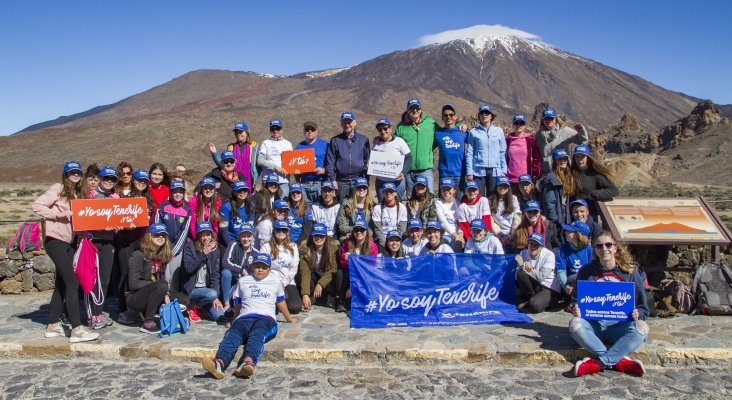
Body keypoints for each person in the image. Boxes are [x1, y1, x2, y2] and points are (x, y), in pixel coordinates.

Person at [202, 253, 298, 380]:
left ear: (269, 269)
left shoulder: (276, 282)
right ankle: (219, 363)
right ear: (252, 267)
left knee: (257, 334)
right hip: (244, 318)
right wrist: (234, 319)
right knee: (232, 336)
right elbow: (238, 303)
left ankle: (248, 362)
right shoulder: (243, 281)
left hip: (266, 319)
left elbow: (280, 301)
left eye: (264, 267)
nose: (260, 269)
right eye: (257, 266)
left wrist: (289, 318)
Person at [33, 161, 99, 343]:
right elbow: (37, 206)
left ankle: (53, 324)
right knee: (72, 282)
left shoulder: (79, 195)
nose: (75, 175)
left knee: (62, 283)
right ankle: (77, 329)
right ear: (65, 174)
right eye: (72, 173)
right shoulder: (58, 189)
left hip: (70, 242)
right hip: (55, 241)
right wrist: (58, 215)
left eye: (78, 172)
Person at [570, 231, 649, 377]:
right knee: (575, 324)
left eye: (608, 245)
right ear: (595, 249)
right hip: (595, 327)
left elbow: (643, 308)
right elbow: (575, 300)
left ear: (615, 248)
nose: (604, 249)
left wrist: (638, 313)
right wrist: (576, 309)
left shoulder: (630, 272)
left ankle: (598, 363)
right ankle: (618, 360)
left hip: (620, 327)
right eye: (599, 246)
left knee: (642, 328)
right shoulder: (585, 271)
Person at [126, 223, 186, 334]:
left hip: (155, 291)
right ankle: (147, 322)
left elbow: (160, 282)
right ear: (149, 236)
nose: (160, 237)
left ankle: (160, 311)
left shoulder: (161, 256)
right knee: (162, 284)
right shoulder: (138, 255)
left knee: (184, 300)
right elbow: (133, 284)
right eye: (157, 234)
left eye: (163, 235)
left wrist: (165, 292)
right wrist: (158, 286)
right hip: (135, 297)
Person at [116, 169, 154, 324]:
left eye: (144, 181)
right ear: (134, 181)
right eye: (139, 180)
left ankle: (137, 307)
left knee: (141, 274)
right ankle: (123, 309)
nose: (142, 183)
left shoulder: (148, 200)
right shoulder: (125, 198)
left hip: (141, 241)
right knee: (125, 273)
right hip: (125, 241)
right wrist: (124, 224)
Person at [88, 166, 120, 330]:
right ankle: (91, 314)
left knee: (105, 278)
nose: (109, 181)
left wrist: (120, 225)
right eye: (106, 178)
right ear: (99, 178)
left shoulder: (115, 196)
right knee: (91, 279)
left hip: (108, 241)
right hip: (92, 241)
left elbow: (119, 218)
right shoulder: (90, 195)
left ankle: (98, 312)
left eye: (113, 179)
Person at [394, 98, 440, 195]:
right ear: (407, 110)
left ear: (420, 109)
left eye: (417, 108)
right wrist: (380, 139)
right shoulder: (401, 127)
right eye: (411, 108)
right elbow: (393, 145)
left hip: (425, 170)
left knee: (429, 199)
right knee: (412, 201)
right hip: (408, 171)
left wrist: (459, 126)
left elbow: (444, 134)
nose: (414, 111)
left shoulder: (431, 123)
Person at [182, 221, 224, 323]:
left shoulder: (215, 251)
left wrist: (216, 297)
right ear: (198, 236)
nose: (206, 238)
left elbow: (215, 274)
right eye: (202, 235)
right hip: (192, 289)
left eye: (208, 234)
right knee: (211, 294)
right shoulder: (189, 248)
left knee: (219, 315)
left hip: (207, 290)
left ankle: (201, 306)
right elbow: (189, 269)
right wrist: (203, 254)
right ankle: (193, 305)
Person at [154, 180, 192, 293]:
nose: (177, 194)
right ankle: (159, 299)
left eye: (180, 192)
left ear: (184, 193)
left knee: (173, 276)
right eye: (175, 191)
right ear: (171, 192)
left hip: (177, 249)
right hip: (162, 245)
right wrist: (162, 248)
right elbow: (157, 227)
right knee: (161, 274)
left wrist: (174, 251)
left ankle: (172, 302)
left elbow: (184, 232)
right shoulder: (163, 206)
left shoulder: (187, 210)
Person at [326, 111, 371, 201]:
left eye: (349, 122)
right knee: (342, 207)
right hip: (341, 182)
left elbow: (367, 160)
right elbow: (330, 161)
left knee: (358, 206)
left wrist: (367, 179)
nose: (347, 125)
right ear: (341, 124)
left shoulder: (363, 140)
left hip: (358, 180)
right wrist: (332, 179)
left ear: (354, 123)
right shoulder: (335, 140)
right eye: (344, 122)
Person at [260, 219, 302, 315]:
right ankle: (278, 302)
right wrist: (275, 283)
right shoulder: (266, 246)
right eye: (278, 230)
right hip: (271, 281)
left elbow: (294, 268)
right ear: (274, 231)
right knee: (271, 310)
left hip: (287, 281)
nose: (281, 232)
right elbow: (263, 266)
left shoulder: (293, 246)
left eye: (284, 230)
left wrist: (283, 283)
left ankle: (282, 301)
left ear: (288, 232)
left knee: (295, 308)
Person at [538, 148, 578, 247]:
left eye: (565, 159)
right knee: (557, 240)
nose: (563, 161)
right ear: (555, 161)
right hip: (556, 216)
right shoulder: (551, 179)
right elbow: (549, 202)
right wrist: (554, 220)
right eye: (560, 159)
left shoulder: (568, 177)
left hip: (565, 212)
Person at [336, 220, 378, 312]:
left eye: (362, 230)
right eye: (356, 230)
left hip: (365, 275)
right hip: (349, 273)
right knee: (340, 274)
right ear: (353, 232)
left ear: (366, 232)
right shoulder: (346, 244)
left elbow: (371, 266)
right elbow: (342, 263)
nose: (359, 232)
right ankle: (342, 300)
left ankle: (357, 299)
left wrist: (352, 287)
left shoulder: (372, 246)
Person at [466, 104, 507, 196]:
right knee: (479, 198)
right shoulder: (473, 132)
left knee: (493, 198)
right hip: (478, 170)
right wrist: (469, 172)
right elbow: (469, 153)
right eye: (482, 113)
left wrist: (503, 170)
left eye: (487, 113)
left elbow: (502, 152)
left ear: (491, 116)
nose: (484, 115)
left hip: (495, 170)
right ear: (479, 116)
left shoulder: (499, 131)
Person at [572, 144, 619, 220]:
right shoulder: (571, 173)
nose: (580, 160)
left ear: (588, 158)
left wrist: (595, 194)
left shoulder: (595, 175)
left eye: (582, 157)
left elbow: (614, 190)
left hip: (589, 216)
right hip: (572, 215)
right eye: (577, 156)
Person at [208, 121, 260, 191]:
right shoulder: (231, 147)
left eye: (241, 131)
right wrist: (215, 153)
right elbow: (224, 164)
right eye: (236, 132)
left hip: (249, 182)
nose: (238, 134)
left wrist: (256, 177)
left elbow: (259, 165)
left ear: (247, 133)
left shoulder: (254, 147)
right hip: (233, 181)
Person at [515, 233, 560, 313]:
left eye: (536, 245)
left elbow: (541, 276)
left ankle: (551, 301)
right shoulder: (523, 253)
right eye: (530, 243)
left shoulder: (549, 255)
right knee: (521, 274)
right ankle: (531, 299)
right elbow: (516, 276)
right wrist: (523, 267)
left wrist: (523, 265)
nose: (532, 247)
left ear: (541, 247)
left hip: (549, 286)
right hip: (536, 285)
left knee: (535, 306)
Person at [535, 107, 589, 173]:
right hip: (547, 172)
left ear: (556, 119)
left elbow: (582, 141)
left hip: (564, 171)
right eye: (546, 118)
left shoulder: (565, 131)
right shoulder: (539, 135)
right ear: (543, 120)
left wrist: (581, 130)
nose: (549, 120)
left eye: (551, 118)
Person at [299, 223, 339, 310]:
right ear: (312, 236)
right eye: (316, 235)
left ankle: (330, 295)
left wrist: (320, 284)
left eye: (321, 236)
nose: (319, 238)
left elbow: (333, 269)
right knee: (303, 276)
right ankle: (311, 296)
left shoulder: (333, 248)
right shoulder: (305, 249)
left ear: (325, 237)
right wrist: (305, 294)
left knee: (338, 274)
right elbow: (305, 273)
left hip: (327, 278)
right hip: (314, 276)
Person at [221, 223, 259, 316]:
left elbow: (254, 274)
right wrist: (241, 270)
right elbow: (225, 262)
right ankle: (226, 304)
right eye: (243, 236)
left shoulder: (256, 253)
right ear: (239, 236)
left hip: (244, 284)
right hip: (231, 280)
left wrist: (239, 286)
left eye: (248, 236)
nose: (246, 239)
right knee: (226, 273)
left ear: (253, 237)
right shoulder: (234, 245)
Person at [371, 118, 411, 202]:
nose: (383, 131)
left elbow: (408, 158)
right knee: (382, 205)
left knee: (397, 205)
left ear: (390, 128)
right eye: (380, 130)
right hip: (381, 182)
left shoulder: (399, 142)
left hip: (397, 182)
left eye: (385, 128)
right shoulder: (376, 144)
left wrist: (403, 172)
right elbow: (373, 160)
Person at [434, 104, 467, 199]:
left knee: (460, 203)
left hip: (460, 174)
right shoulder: (438, 134)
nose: (448, 117)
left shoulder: (463, 132)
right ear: (442, 118)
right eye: (445, 115)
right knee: (444, 203)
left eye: (451, 115)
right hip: (445, 174)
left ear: (455, 117)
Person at [556, 221, 593, 300]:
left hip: (585, 282)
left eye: (569, 231)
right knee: (573, 278)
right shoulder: (563, 249)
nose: (565, 232)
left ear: (578, 235)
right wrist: (566, 285)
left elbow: (592, 271)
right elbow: (561, 271)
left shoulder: (589, 249)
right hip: (569, 284)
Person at [294, 121, 329, 204]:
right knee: (306, 210)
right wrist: (296, 174)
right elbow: (296, 168)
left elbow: (332, 163)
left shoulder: (325, 145)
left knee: (320, 208)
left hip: (320, 183)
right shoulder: (299, 147)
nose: (310, 132)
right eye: (307, 129)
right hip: (305, 183)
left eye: (312, 129)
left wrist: (324, 170)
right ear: (304, 131)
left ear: (316, 131)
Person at [257, 119, 293, 196]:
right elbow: (260, 160)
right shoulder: (266, 143)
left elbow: (292, 162)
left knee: (282, 205)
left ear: (282, 130)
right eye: (273, 129)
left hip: (283, 181)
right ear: (270, 130)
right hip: (268, 181)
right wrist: (275, 167)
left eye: (278, 128)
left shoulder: (288, 144)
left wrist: (296, 169)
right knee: (267, 206)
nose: (275, 131)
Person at [370, 182, 408, 249]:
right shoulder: (377, 208)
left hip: (397, 239)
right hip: (382, 241)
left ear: (395, 193)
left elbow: (401, 229)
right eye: (386, 191)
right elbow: (378, 230)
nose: (388, 193)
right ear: (383, 193)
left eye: (391, 191)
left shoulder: (402, 207)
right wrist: (386, 244)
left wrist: (394, 243)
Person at [506, 115, 541, 184]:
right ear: (513, 125)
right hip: (511, 179)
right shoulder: (508, 140)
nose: (519, 125)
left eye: (521, 123)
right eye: (516, 123)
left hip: (526, 178)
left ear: (525, 125)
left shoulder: (530, 140)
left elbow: (536, 158)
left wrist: (535, 174)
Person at [219, 180, 255, 248]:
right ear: (234, 193)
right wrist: (230, 246)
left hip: (244, 239)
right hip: (230, 240)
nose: (242, 192)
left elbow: (250, 226)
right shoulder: (226, 207)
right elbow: (223, 229)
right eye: (239, 191)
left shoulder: (251, 206)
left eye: (245, 190)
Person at [490, 176, 521, 249]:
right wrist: (501, 236)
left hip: (513, 233)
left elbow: (517, 217)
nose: (502, 188)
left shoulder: (513, 198)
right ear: (496, 186)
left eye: (505, 186)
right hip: (498, 234)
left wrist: (512, 235)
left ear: (508, 188)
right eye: (500, 186)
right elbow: (491, 221)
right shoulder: (490, 200)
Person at [435, 178, 465, 251]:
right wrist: (456, 236)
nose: (446, 191)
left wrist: (460, 236)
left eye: (448, 189)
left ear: (454, 190)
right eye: (443, 189)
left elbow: (462, 222)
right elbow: (443, 222)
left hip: (458, 234)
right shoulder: (438, 203)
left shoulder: (459, 203)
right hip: (445, 234)